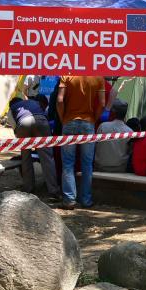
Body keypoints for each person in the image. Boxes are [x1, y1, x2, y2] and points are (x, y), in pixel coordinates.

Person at [57, 75, 106, 209]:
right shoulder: (98, 78)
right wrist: (93, 119)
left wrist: (63, 119)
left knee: (68, 163)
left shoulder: (66, 75)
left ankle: (69, 200)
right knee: (87, 164)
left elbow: (60, 100)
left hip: (69, 121)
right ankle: (86, 200)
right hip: (88, 123)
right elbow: (102, 104)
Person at [8, 95, 60, 201]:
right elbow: (44, 114)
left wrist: (24, 138)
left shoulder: (12, 109)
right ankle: (54, 191)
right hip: (41, 121)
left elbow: (15, 129)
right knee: (47, 158)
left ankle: (28, 189)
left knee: (26, 158)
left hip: (23, 123)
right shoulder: (32, 102)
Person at [95, 99, 133, 172]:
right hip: (120, 168)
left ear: (113, 112)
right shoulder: (130, 131)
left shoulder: (103, 126)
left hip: (100, 166)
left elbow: (96, 145)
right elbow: (130, 151)